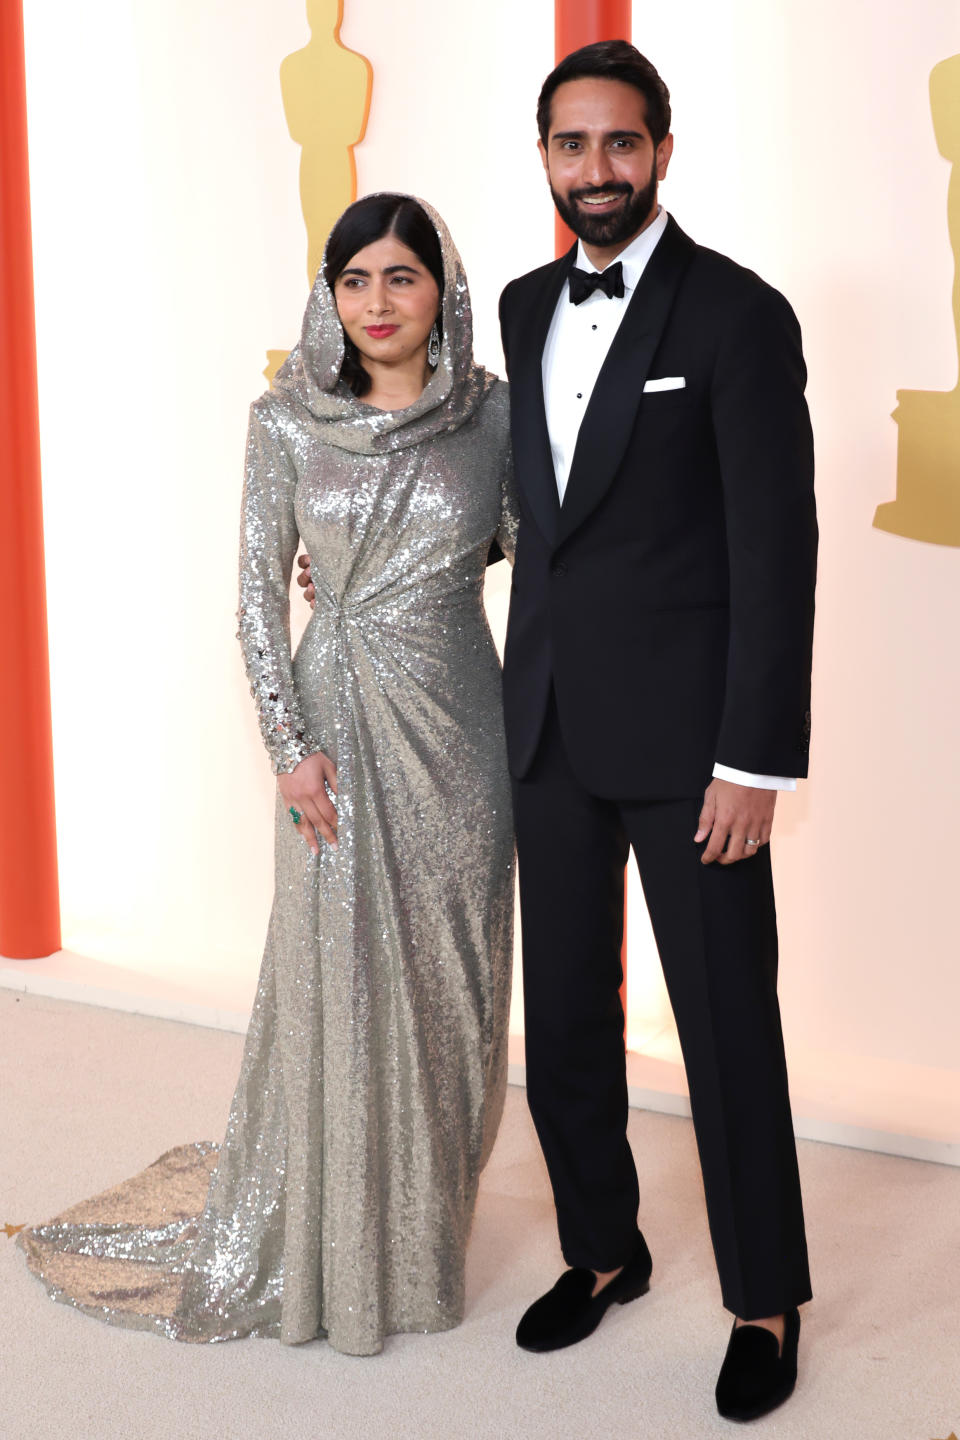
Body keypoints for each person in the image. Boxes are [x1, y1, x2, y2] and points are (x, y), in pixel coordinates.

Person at [18, 194, 518, 1357]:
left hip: (463, 729)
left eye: (403, 277)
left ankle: (423, 1233)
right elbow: (253, 596)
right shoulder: (285, 418)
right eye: (356, 281)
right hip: (334, 727)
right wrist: (290, 753)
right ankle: (340, 1247)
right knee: (340, 979)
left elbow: (536, 548)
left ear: (443, 287)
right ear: (327, 293)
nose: (379, 303)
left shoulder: (491, 420)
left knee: (462, 985)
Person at [497, 42, 817, 1422]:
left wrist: (755, 759)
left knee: (727, 1024)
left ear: (664, 151)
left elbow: (777, 550)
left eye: (619, 144)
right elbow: (537, 510)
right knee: (563, 1018)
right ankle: (602, 1252)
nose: (597, 171)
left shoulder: (739, 317)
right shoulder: (517, 308)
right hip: (548, 728)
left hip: (697, 755)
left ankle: (765, 1296)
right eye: (572, 146)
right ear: (548, 159)